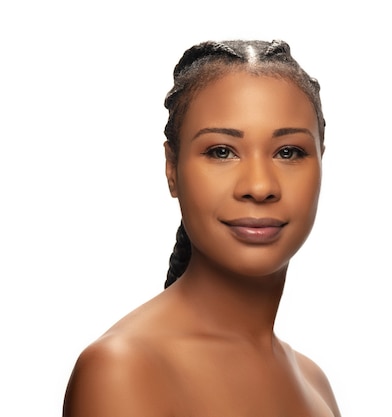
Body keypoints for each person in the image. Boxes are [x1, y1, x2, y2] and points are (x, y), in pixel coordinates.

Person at [62, 39, 341, 417]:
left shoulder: (314, 383)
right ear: (171, 169)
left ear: (321, 162)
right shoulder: (123, 370)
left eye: (288, 152)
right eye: (221, 151)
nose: (259, 186)